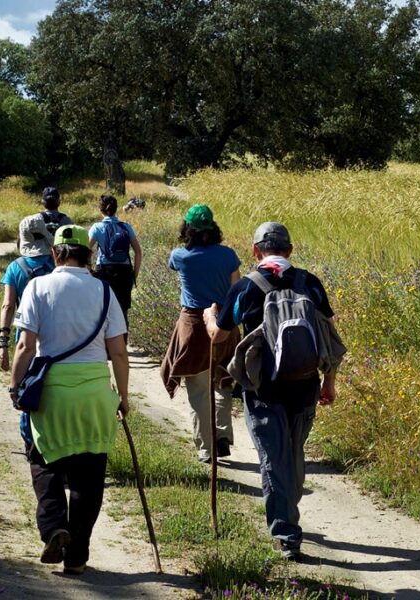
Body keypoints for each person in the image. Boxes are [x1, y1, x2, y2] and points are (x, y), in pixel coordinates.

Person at [204, 221, 341, 562]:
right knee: (293, 453)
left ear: (255, 251)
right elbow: (329, 337)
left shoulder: (247, 287)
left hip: (263, 387)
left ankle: (286, 535)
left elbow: (218, 337)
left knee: (272, 458)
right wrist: (329, 382)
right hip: (306, 384)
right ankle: (288, 515)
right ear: (290, 251)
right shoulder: (309, 282)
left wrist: (210, 316)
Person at [9, 224, 129, 575]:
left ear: (54, 253)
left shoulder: (37, 287)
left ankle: (53, 526)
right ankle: (76, 555)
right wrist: (122, 396)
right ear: (87, 254)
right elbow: (118, 353)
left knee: (43, 461)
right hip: (94, 393)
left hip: (52, 391)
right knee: (88, 477)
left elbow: (25, 346)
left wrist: (16, 387)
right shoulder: (105, 291)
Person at [160, 204, 241, 464]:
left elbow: (173, 265)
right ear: (213, 227)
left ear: (188, 229)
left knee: (197, 389)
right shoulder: (228, 256)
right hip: (224, 324)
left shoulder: (181, 256)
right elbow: (236, 290)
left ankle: (207, 448)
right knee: (223, 382)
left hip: (193, 325)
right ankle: (222, 436)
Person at [0, 214, 55, 371]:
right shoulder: (57, 264)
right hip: (56, 334)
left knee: (25, 385)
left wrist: (3, 343)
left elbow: (8, 306)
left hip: (25, 335)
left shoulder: (15, 267)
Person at [89, 194, 142, 330]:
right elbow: (138, 252)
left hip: (104, 270)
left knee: (103, 308)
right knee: (122, 309)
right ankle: (122, 344)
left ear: (101, 210)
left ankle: (106, 345)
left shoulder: (96, 227)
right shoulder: (126, 227)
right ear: (116, 209)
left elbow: (85, 251)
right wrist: (134, 274)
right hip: (124, 271)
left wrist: (89, 271)